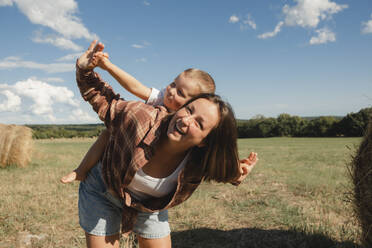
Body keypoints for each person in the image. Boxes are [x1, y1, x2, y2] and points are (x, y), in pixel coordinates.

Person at [73, 40, 258, 248]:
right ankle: (80, 170)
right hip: (105, 188)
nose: (186, 119)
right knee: (108, 133)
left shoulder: (199, 160)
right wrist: (86, 68)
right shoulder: (144, 115)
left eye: (199, 122)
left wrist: (236, 174)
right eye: (189, 110)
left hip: (148, 205)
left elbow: (220, 168)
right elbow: (105, 97)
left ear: (205, 142)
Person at [61, 42, 216, 184]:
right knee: (107, 133)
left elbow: (217, 148)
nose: (171, 91)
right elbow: (135, 86)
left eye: (180, 93)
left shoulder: (189, 129)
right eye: (173, 84)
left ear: (193, 104)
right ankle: (81, 170)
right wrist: (108, 66)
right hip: (128, 148)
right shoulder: (161, 99)